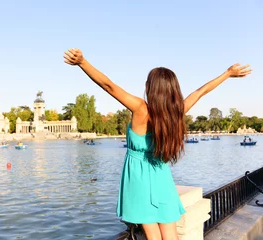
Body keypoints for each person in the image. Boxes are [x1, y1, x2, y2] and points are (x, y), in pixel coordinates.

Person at [64, 48, 252, 239]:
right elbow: (200, 92)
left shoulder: (140, 109)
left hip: (138, 177)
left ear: (150, 88)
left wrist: (82, 62)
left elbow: (109, 86)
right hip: (162, 175)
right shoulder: (176, 113)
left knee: (152, 234)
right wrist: (228, 74)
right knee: (169, 233)